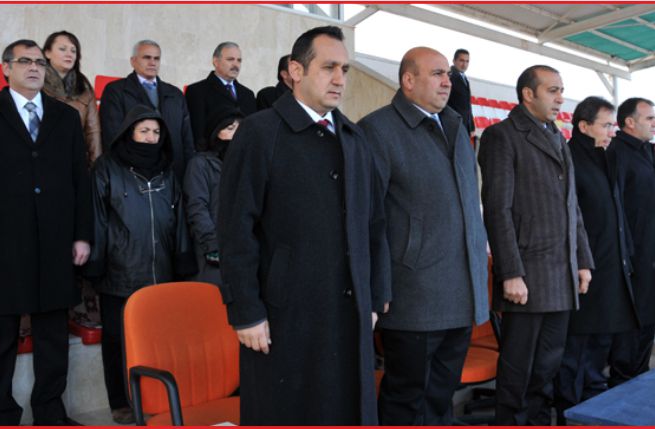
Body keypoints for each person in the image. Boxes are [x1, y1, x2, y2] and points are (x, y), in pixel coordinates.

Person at [217, 25, 391, 425]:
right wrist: (246, 311)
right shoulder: (260, 133)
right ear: (296, 71)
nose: (339, 79)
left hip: (349, 312)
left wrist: (376, 296)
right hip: (284, 316)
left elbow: (375, 223)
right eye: (328, 67)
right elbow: (235, 228)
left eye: (344, 69)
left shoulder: (354, 138)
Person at [0, 39, 92, 426]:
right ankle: (0, 416)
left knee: (53, 338)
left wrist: (82, 235)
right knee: (1, 339)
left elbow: (79, 181)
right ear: (5, 68)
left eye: (39, 62)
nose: (34, 68)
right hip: (1, 245)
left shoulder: (65, 117)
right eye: (25, 61)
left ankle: (50, 414)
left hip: (55, 242)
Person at [358, 47, 489, 425]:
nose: (447, 81)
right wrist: (378, 287)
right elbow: (368, 218)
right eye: (437, 74)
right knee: (407, 398)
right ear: (408, 80)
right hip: (412, 295)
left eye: (448, 74)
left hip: (461, 292)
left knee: (441, 396)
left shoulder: (455, 125)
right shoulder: (377, 130)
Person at [477, 65, 593, 425]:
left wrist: (582, 260)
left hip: (561, 273)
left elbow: (572, 206)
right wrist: (511, 272)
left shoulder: (558, 136)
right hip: (526, 276)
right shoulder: (502, 136)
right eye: (552, 91)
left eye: (562, 91)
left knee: (547, 367)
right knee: (519, 371)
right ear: (528, 94)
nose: (560, 99)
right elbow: (497, 209)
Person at [85, 105, 197, 424]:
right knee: (116, 341)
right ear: (129, 132)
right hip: (119, 270)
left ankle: (158, 399)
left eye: (156, 132)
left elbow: (179, 220)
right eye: (144, 131)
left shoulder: (167, 170)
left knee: (158, 341)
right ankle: (121, 402)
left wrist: (183, 258)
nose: (150, 138)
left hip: (161, 271)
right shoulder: (107, 167)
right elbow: (96, 218)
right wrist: (96, 262)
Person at [554, 96, 640, 422]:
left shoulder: (604, 158)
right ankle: (570, 413)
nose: (611, 131)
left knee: (600, 348)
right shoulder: (570, 160)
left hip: (611, 268)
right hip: (584, 272)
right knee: (577, 352)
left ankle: (593, 409)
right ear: (584, 126)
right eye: (606, 125)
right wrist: (582, 262)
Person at [606, 97, 655, 387]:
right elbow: (617, 210)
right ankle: (623, 386)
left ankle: (638, 381)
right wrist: (628, 254)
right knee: (631, 330)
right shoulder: (617, 153)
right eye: (650, 118)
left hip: (654, 255)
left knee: (646, 327)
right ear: (629, 122)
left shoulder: (647, 152)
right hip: (635, 259)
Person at [99, 40, 195, 181]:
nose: (152, 62)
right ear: (133, 61)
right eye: (146, 57)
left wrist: (189, 175)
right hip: (134, 176)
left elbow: (187, 139)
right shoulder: (115, 91)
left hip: (173, 174)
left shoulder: (175, 94)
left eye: (156, 58)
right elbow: (112, 137)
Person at [183, 107, 243, 286]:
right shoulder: (200, 164)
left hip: (243, 251)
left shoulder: (247, 163)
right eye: (230, 129)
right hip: (212, 252)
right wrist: (213, 245)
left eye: (240, 129)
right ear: (216, 132)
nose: (237, 135)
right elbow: (197, 208)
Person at [42, 30, 101, 165]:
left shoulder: (84, 85)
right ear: (47, 53)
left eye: (73, 51)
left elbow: (93, 131)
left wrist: (96, 167)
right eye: (62, 49)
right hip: (42, 158)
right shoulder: (36, 82)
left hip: (75, 158)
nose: (69, 54)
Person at [185, 42, 257, 141]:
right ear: (215, 61)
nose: (236, 64)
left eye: (239, 60)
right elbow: (197, 133)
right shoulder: (197, 91)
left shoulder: (248, 94)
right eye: (230, 59)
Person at [446, 48, 476, 141]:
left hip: (463, 125)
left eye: (467, 61)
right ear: (454, 61)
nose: (464, 64)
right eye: (461, 61)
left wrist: (471, 126)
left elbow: (467, 105)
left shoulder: (464, 78)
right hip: (453, 125)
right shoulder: (449, 76)